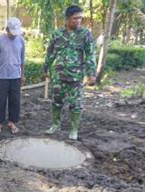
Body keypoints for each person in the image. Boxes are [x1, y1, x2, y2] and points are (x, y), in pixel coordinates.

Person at [44, 5, 96, 140]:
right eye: (75, 18)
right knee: (56, 102)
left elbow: (90, 55)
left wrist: (92, 74)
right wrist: (46, 69)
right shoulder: (57, 34)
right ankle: (55, 125)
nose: (78, 21)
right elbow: (50, 53)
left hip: (76, 77)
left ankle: (74, 130)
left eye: (80, 18)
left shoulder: (85, 34)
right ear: (67, 19)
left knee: (76, 104)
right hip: (59, 76)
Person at [0, 17, 26, 134]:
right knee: (0, 101)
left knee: (15, 100)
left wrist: (23, 75)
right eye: (12, 32)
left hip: (16, 76)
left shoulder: (21, 41)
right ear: (7, 29)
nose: (14, 35)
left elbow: (22, 60)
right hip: (2, 76)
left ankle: (12, 122)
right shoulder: (0, 41)